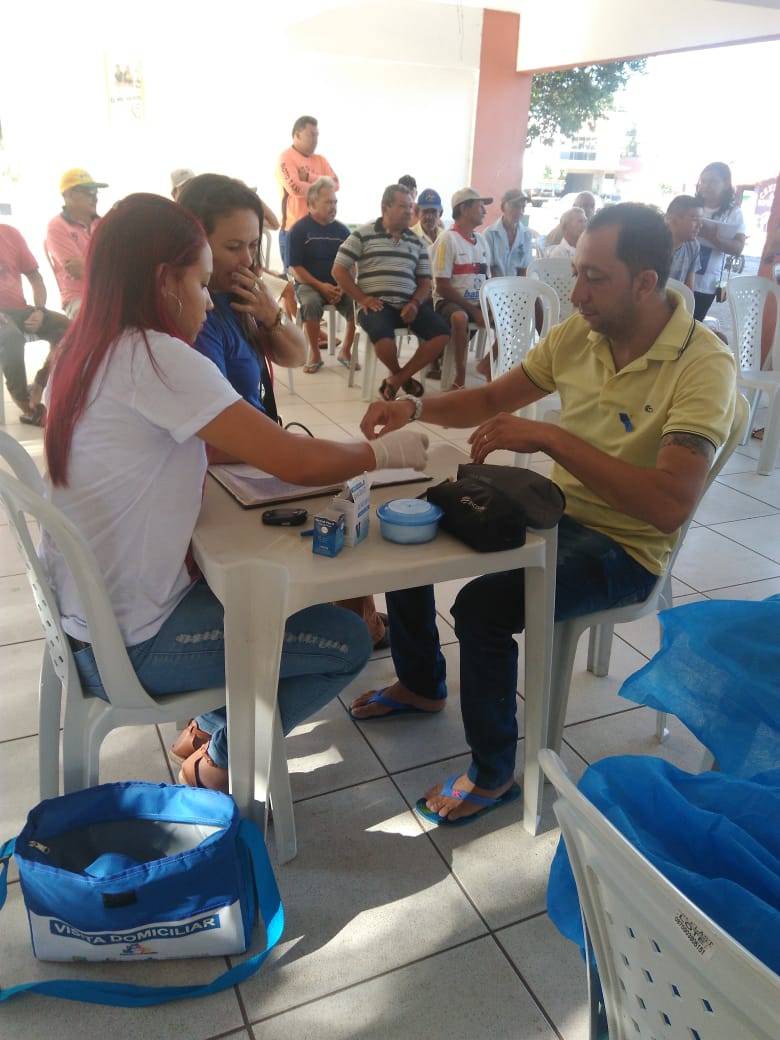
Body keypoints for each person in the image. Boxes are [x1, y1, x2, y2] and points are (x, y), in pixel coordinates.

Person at [353, 203, 736, 826]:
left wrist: (556, 441)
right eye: (576, 272)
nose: (576, 293)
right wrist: (415, 410)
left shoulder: (702, 365)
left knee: (480, 607)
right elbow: (494, 396)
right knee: (407, 523)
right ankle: (422, 682)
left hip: (626, 547)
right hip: (558, 514)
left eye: (595, 278)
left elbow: (668, 506)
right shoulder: (582, 332)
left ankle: (494, 771)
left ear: (646, 282)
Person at [41, 193, 429, 793]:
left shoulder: (84, 347)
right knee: (344, 639)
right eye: (200, 282)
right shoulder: (156, 356)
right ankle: (221, 761)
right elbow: (291, 459)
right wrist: (386, 454)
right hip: (133, 644)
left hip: (85, 625)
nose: (207, 298)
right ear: (163, 281)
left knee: (276, 587)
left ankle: (212, 724)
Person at [177, 173, 304, 425]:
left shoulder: (239, 296)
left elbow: (297, 356)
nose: (247, 259)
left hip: (259, 442)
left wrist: (272, 316)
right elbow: (218, 428)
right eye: (233, 247)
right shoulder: (196, 316)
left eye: (253, 245)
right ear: (195, 244)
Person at [332, 184, 450, 401]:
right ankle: (403, 379)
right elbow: (338, 269)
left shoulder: (416, 242)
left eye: (410, 206)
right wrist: (362, 298)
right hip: (376, 305)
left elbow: (425, 282)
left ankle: (396, 380)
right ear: (385, 208)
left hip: (409, 304)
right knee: (384, 338)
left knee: (442, 333)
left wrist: (415, 303)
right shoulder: (363, 235)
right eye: (402, 206)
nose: (409, 211)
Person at [0, 223, 69, 424]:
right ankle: (27, 407)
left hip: (20, 310)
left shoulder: (10, 233)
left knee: (70, 328)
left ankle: (40, 383)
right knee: (11, 338)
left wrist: (40, 310)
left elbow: (35, 278)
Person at [287, 176, 356, 372]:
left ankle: (346, 351)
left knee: (357, 302)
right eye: (328, 202)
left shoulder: (342, 231)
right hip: (309, 284)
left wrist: (343, 286)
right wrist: (321, 286)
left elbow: (351, 265)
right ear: (311, 204)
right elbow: (295, 268)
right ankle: (315, 353)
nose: (333, 206)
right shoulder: (299, 230)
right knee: (310, 303)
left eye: (335, 202)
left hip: (338, 285)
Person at [430, 188, 492, 391]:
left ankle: (488, 365)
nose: (484, 210)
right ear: (464, 208)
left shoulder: (481, 240)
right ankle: (459, 377)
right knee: (460, 318)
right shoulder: (447, 240)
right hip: (448, 301)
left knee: (510, 314)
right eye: (479, 205)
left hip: (476, 301)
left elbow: (487, 280)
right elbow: (442, 286)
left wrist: (486, 306)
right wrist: (474, 310)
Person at [276, 115, 339, 268]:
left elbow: (335, 185)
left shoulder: (321, 160)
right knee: (295, 282)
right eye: (311, 135)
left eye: (317, 135)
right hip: (293, 230)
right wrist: (323, 185)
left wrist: (309, 177)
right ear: (297, 135)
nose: (315, 140)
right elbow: (295, 188)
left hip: (322, 230)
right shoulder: (286, 158)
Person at [45, 168, 107, 318]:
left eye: (96, 192)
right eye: (89, 192)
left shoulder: (103, 224)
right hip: (79, 299)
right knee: (98, 319)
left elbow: (122, 263)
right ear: (69, 195)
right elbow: (78, 271)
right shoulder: (57, 226)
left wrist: (91, 266)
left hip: (108, 293)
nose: (95, 198)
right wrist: (109, 267)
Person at [693, 162, 746, 322]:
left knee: (693, 323)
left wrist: (713, 237)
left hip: (705, 283)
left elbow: (738, 248)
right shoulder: (690, 205)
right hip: (678, 274)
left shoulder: (734, 213)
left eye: (713, 181)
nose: (707, 186)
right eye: (704, 181)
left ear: (725, 184)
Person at [484, 189, 532, 278]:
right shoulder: (489, 234)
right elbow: (488, 269)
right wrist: (499, 288)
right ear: (503, 207)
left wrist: (518, 289)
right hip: (494, 286)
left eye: (523, 207)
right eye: (516, 206)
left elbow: (524, 269)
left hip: (517, 287)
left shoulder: (526, 235)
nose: (520, 211)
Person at [665, 195, 703, 290]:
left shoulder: (693, 245)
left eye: (701, 219)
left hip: (677, 301)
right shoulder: (650, 244)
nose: (700, 225)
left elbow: (689, 288)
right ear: (673, 219)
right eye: (694, 219)